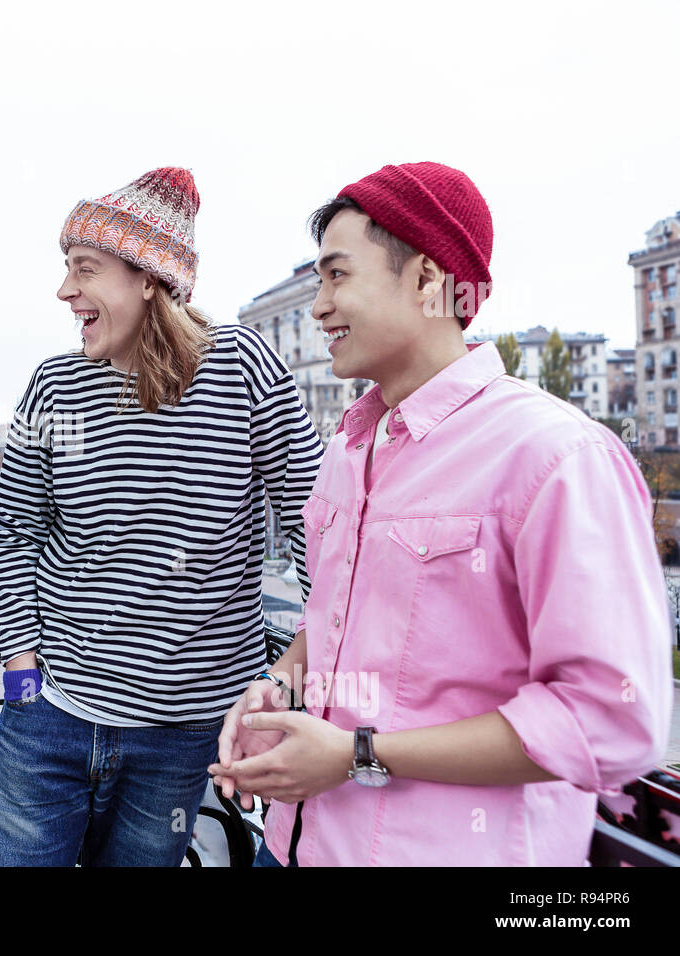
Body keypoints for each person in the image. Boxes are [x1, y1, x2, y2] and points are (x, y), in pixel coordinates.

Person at [210, 161, 674, 866]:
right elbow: (334, 618)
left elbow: (611, 718)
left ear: (428, 281)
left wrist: (358, 755)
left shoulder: (555, 455)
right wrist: (277, 685)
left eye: (337, 277)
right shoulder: (346, 450)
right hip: (299, 844)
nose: (318, 307)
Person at [0, 167, 323, 866]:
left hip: (184, 733)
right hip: (51, 720)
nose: (64, 290)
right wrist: (21, 676)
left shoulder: (245, 371)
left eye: (84, 269)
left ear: (147, 278)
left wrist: (303, 672)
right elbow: (12, 531)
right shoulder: (55, 384)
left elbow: (321, 528)